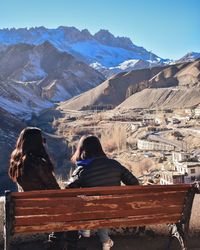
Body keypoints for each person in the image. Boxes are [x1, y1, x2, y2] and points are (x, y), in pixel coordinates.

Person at [8, 127, 84, 250]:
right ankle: (68, 245)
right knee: (71, 209)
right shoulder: (37, 163)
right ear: (37, 142)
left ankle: (55, 241)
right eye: (42, 140)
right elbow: (55, 189)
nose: (44, 142)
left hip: (28, 211)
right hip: (44, 210)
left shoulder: (16, 162)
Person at [67, 135, 139, 250]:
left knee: (90, 202)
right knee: (103, 204)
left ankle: (86, 228)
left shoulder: (82, 170)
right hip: (115, 209)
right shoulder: (114, 164)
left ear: (82, 150)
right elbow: (134, 183)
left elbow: (68, 191)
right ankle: (105, 242)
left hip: (92, 211)